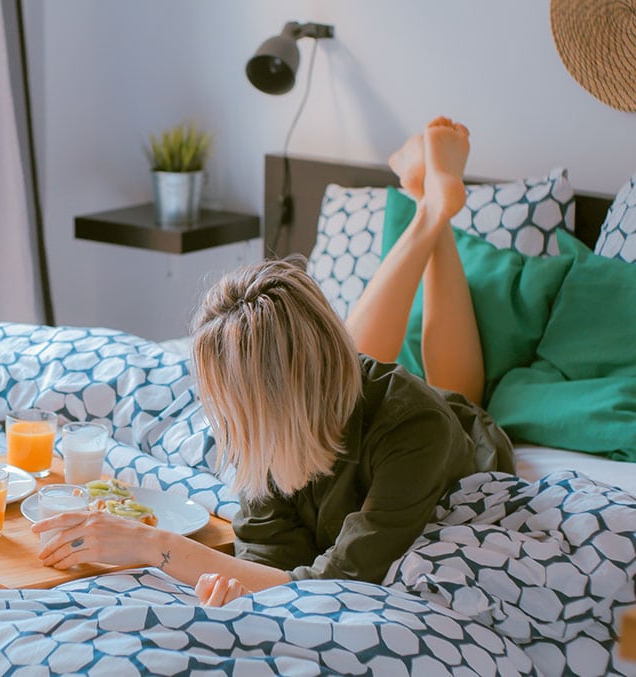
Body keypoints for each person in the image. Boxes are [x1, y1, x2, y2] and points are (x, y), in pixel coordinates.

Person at [31, 116, 514, 607]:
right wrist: (243, 585)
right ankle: (431, 206)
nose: (223, 419)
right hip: (331, 394)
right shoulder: (262, 426)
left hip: (453, 429)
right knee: (353, 356)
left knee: (456, 390)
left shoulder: (417, 430)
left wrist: (157, 546)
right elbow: (270, 556)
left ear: (274, 396)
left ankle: (435, 212)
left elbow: (342, 583)